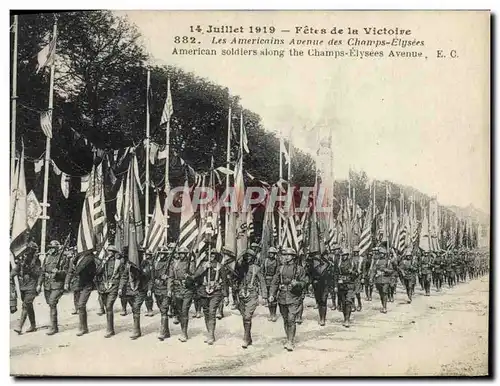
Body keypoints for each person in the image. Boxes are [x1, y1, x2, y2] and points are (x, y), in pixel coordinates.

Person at [269, 248, 307, 352]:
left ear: (293, 257)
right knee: (285, 319)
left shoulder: (299, 269)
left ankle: (291, 341)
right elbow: (275, 282)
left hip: (294, 296)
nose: (286, 257)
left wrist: (298, 284)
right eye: (285, 255)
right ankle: (288, 338)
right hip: (282, 297)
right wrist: (272, 294)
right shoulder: (280, 268)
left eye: (288, 255)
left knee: (291, 319)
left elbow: (304, 283)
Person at [193, 251, 230, 345]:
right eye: (209, 254)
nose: (211, 256)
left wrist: (226, 296)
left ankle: (211, 335)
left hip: (216, 292)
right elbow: (195, 276)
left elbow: (225, 281)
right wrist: (204, 268)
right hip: (204, 292)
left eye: (213, 255)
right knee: (206, 312)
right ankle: (209, 332)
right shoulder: (203, 264)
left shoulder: (220, 266)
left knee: (212, 312)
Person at [234, 249, 267, 348]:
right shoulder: (241, 268)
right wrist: (241, 253)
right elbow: (234, 269)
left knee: (248, 316)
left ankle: (245, 338)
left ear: (253, 258)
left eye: (250, 256)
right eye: (246, 256)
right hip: (241, 295)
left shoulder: (256, 268)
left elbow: (262, 282)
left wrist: (264, 295)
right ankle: (248, 337)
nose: (248, 258)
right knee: (245, 317)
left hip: (252, 295)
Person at [37, 240, 69, 335]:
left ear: (57, 248)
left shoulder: (63, 258)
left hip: (57, 284)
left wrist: (58, 272)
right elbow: (42, 272)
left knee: (52, 303)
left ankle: (54, 327)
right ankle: (54, 325)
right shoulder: (47, 258)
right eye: (50, 247)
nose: (51, 249)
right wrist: (39, 284)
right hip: (47, 285)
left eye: (53, 248)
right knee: (50, 303)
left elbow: (67, 272)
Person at [119, 254, 152, 340]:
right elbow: (124, 276)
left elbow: (149, 278)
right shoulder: (129, 266)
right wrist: (120, 287)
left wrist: (149, 289)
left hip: (142, 289)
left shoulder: (146, 264)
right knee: (134, 308)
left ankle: (136, 331)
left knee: (136, 307)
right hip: (131, 290)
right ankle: (137, 329)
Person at [64, 249, 97, 336]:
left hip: (87, 284)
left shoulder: (90, 258)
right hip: (78, 284)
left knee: (81, 305)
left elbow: (93, 271)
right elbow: (70, 271)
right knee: (80, 306)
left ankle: (83, 328)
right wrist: (67, 282)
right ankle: (83, 326)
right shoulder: (76, 258)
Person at [168, 245, 197, 342]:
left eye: (184, 254)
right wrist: (169, 289)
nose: (182, 255)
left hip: (187, 289)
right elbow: (171, 277)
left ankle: (184, 333)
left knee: (184, 311)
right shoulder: (174, 264)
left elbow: (194, 276)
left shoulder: (191, 263)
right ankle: (182, 329)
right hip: (177, 290)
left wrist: (189, 277)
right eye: (180, 253)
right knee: (180, 311)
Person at [94, 245, 124, 338]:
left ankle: (110, 329)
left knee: (109, 306)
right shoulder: (104, 261)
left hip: (114, 285)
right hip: (104, 286)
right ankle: (110, 327)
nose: (110, 253)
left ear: (115, 253)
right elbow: (98, 273)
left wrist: (120, 287)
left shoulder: (119, 262)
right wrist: (102, 264)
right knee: (106, 307)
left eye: (112, 252)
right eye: (109, 251)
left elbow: (123, 276)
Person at [12, 242, 41, 334]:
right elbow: (16, 270)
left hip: (32, 286)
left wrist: (30, 268)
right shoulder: (23, 259)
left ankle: (19, 326)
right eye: (28, 249)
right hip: (23, 286)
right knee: (29, 306)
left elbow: (38, 274)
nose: (28, 251)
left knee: (26, 305)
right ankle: (33, 325)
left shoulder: (36, 261)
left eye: (31, 250)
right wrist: (10, 276)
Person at [150, 245, 174, 341]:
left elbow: (171, 277)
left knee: (164, 310)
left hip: (165, 290)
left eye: (164, 254)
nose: (162, 255)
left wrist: (169, 289)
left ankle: (162, 332)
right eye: (161, 254)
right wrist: (150, 289)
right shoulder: (155, 264)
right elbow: (152, 277)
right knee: (161, 310)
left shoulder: (170, 264)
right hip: (157, 289)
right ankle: (167, 331)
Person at [334, 248, 359, 327]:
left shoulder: (352, 263)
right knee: (343, 303)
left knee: (348, 302)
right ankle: (345, 317)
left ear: (348, 255)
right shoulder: (339, 263)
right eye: (343, 255)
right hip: (341, 285)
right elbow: (335, 275)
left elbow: (357, 274)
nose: (344, 256)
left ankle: (347, 319)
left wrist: (352, 272)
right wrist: (335, 285)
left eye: (345, 255)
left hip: (350, 285)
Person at [306, 249, 331, 326]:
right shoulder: (312, 264)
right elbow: (309, 274)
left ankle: (322, 319)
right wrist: (310, 283)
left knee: (323, 301)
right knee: (319, 301)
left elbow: (331, 275)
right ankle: (321, 316)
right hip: (316, 284)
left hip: (325, 284)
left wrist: (332, 286)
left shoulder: (328, 264)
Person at [369, 246, 394, 313]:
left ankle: (384, 307)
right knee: (381, 294)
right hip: (378, 280)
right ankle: (383, 305)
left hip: (386, 279)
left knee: (385, 292)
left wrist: (386, 270)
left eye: (382, 253)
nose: (381, 254)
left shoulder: (388, 261)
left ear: (385, 254)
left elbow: (391, 271)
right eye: (380, 253)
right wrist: (371, 278)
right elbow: (373, 270)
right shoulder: (377, 261)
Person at [263, 246, 279, 321]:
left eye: (273, 253)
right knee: (269, 298)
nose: (271, 254)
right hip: (267, 280)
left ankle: (274, 314)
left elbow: (278, 272)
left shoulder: (276, 261)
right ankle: (271, 314)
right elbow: (262, 271)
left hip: (274, 280)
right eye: (270, 253)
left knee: (274, 297)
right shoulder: (265, 261)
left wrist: (276, 280)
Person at [351, 247, 363, 311]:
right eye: (354, 252)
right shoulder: (351, 259)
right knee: (352, 292)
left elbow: (363, 269)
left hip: (358, 277)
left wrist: (362, 277)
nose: (355, 253)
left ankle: (359, 304)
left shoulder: (361, 259)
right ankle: (353, 305)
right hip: (352, 277)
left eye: (357, 252)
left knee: (357, 292)